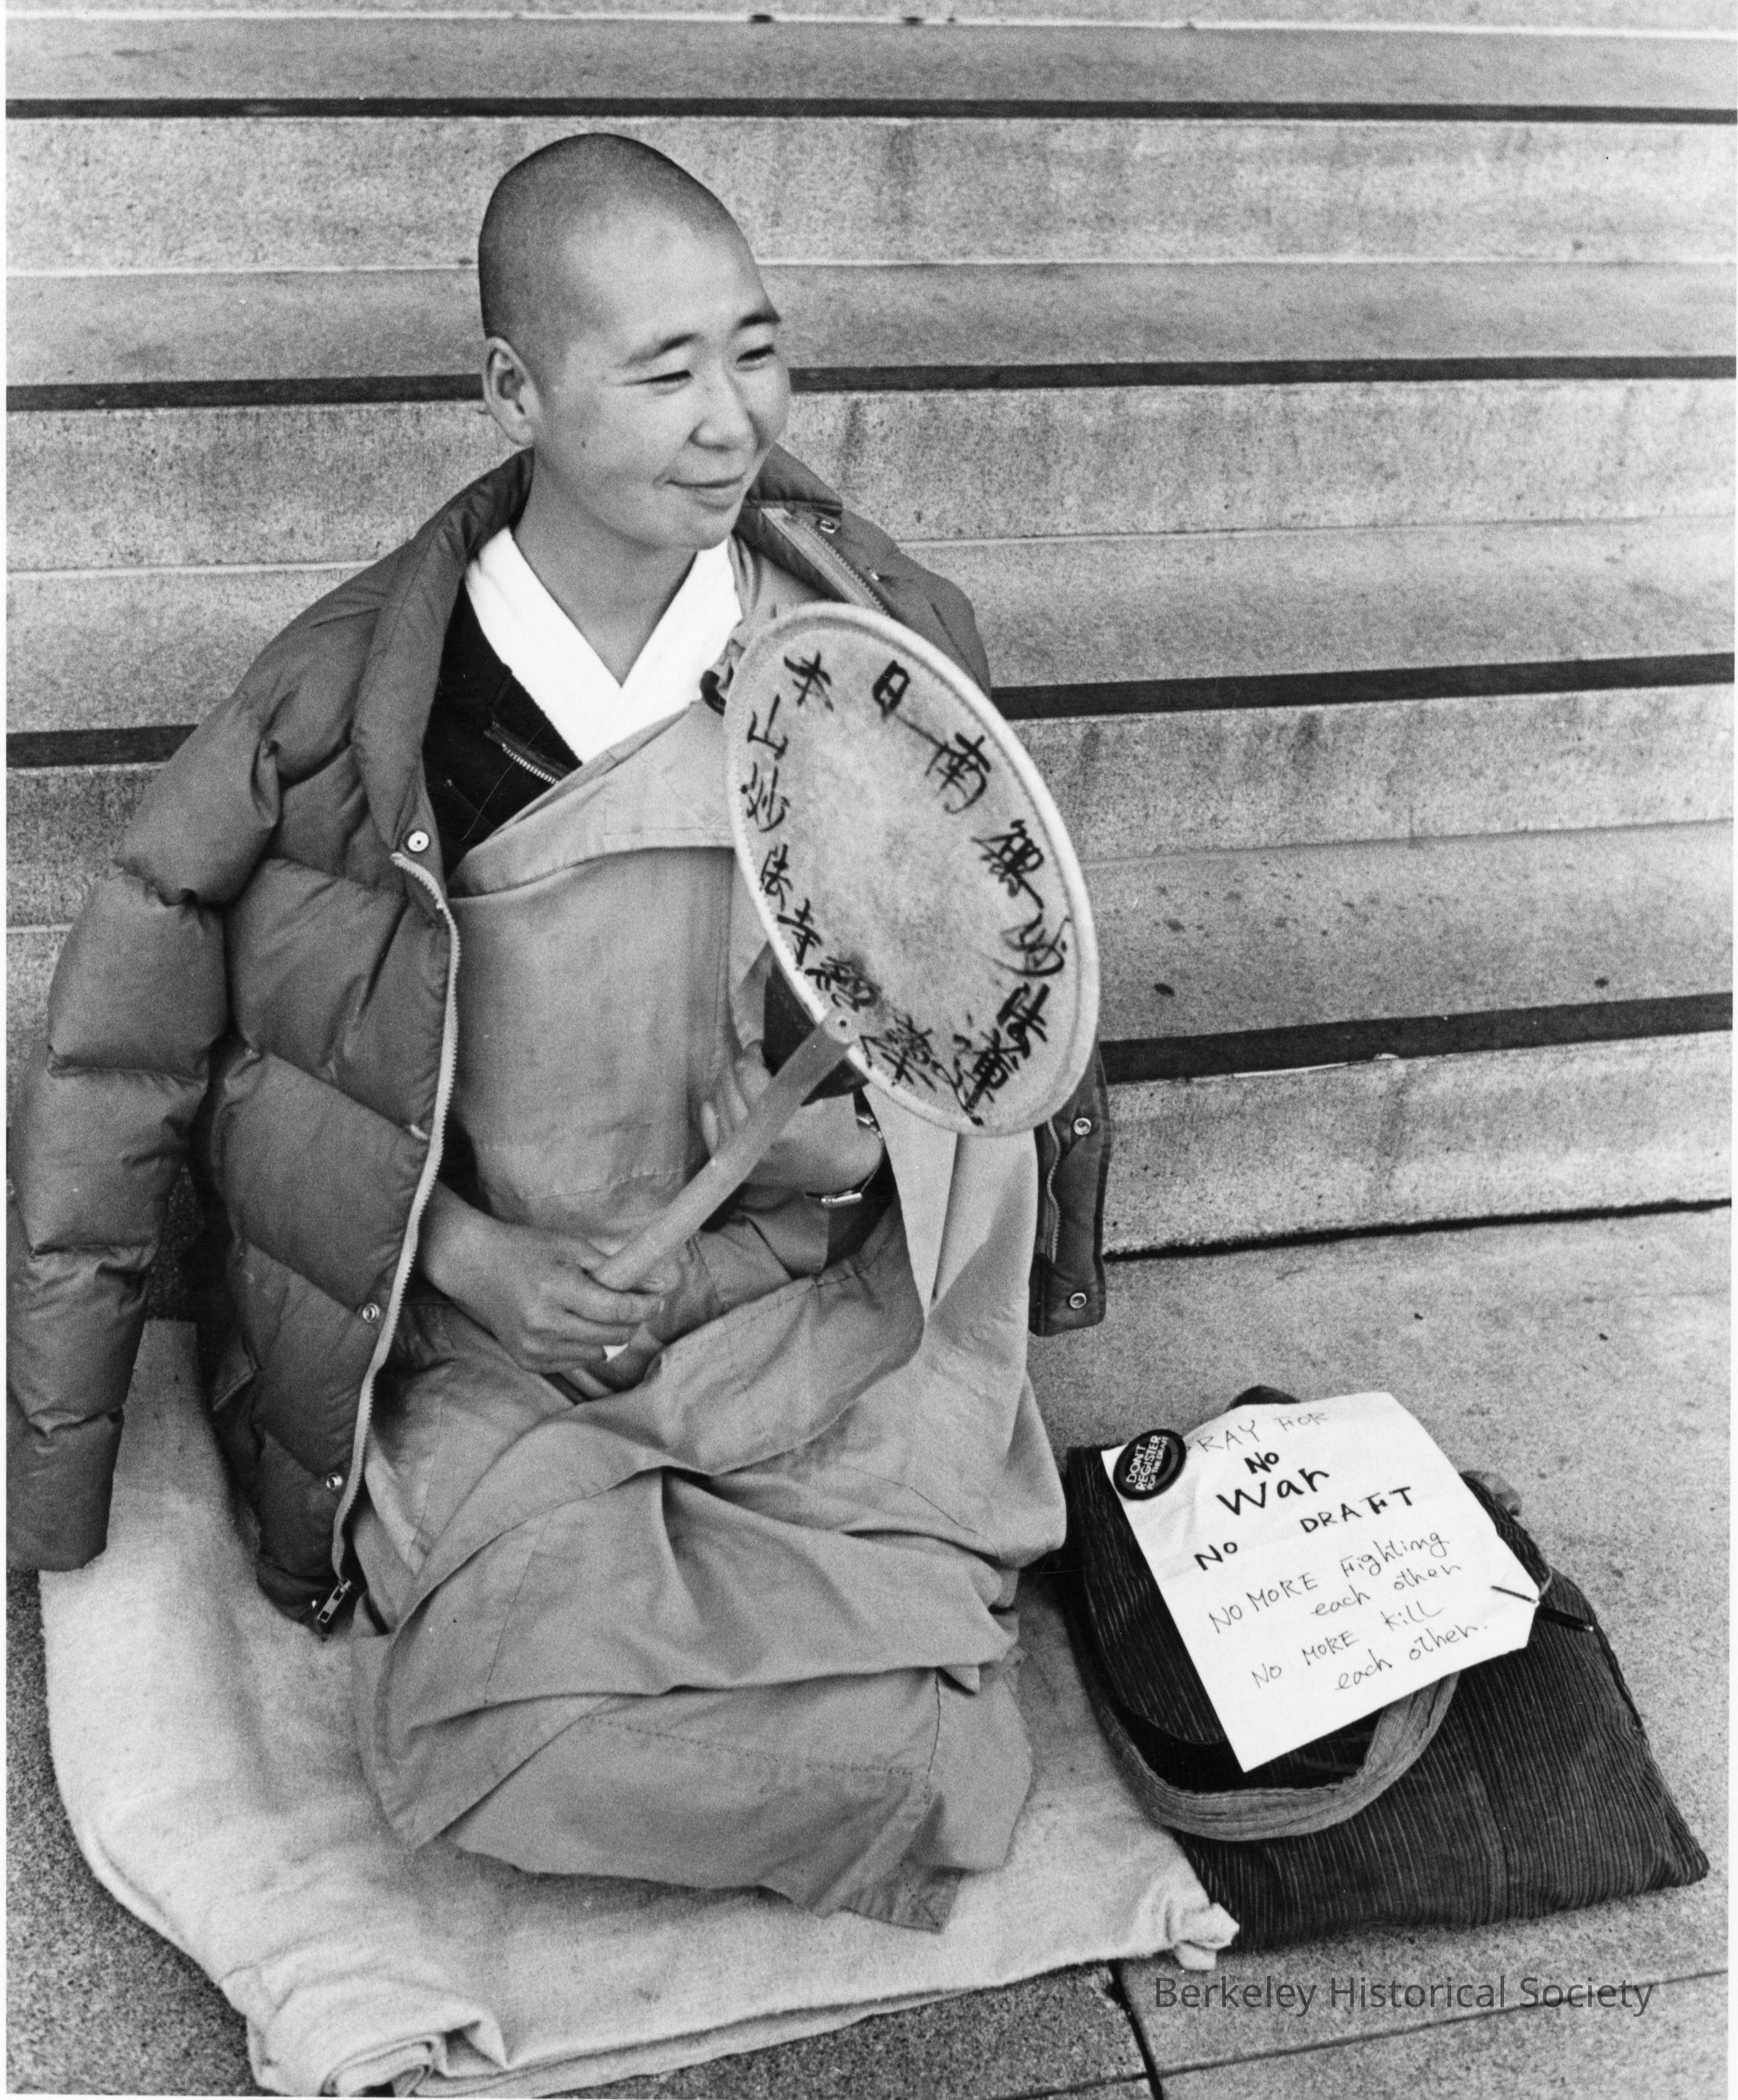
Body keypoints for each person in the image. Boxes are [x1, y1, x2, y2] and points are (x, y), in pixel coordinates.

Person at [7, 135, 1109, 1929]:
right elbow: (206, 1076)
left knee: (917, 1717)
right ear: (513, 390)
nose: (732, 421)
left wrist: (859, 1141)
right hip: (490, 1331)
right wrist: (466, 1258)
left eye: (757, 351)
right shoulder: (355, 705)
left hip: (798, 1304)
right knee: (505, 1735)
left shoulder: (869, 647)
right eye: (664, 372)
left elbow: (978, 996)